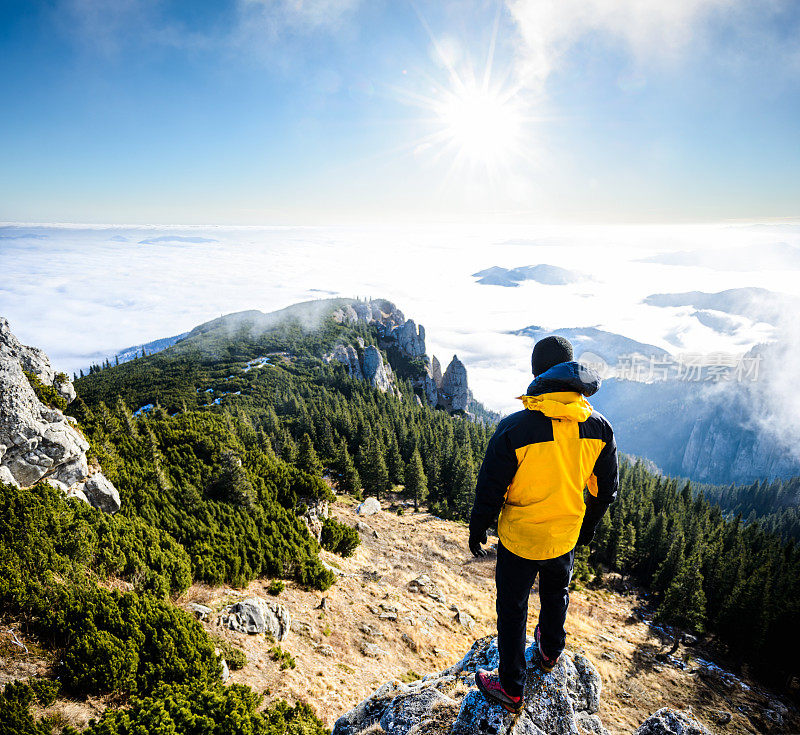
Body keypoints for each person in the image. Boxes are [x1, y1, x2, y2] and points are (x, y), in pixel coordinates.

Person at [469, 335, 618, 714]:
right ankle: (550, 651)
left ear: (538, 374)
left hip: (521, 539)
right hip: (564, 535)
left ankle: (511, 686)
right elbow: (604, 491)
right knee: (556, 593)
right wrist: (589, 527)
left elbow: (491, 489)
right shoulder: (599, 428)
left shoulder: (514, 429)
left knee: (513, 609)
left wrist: (478, 527)